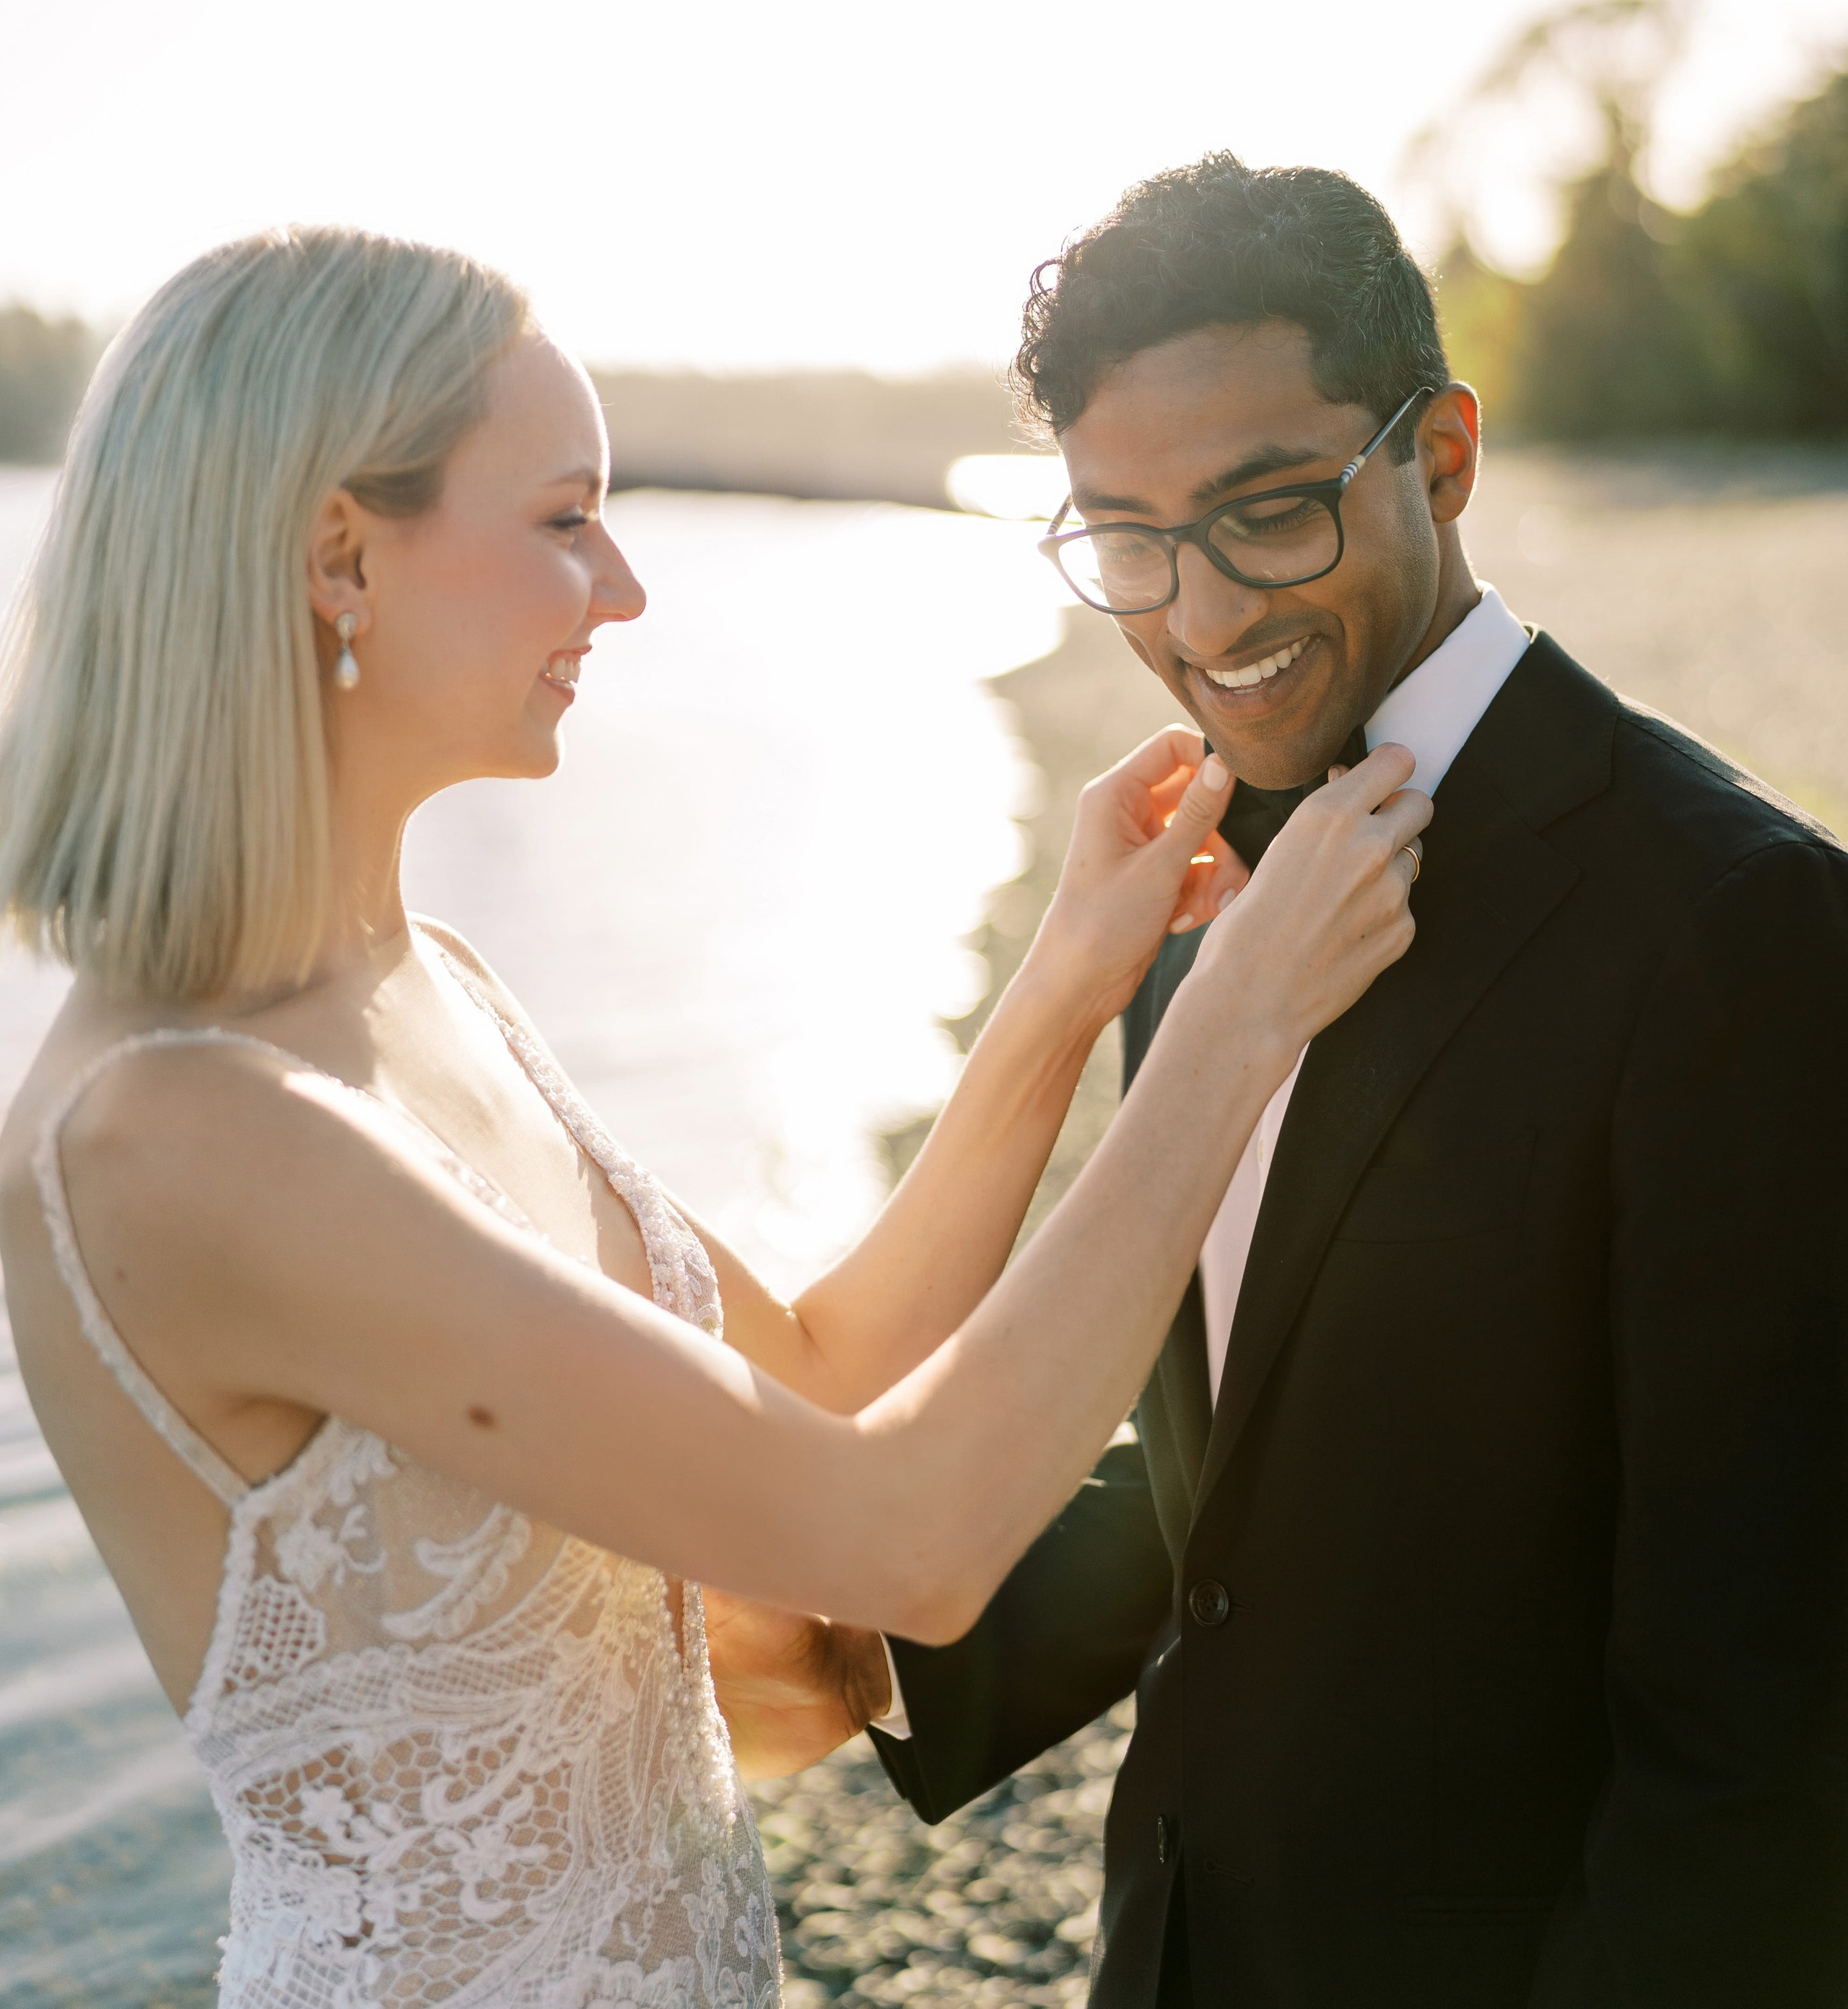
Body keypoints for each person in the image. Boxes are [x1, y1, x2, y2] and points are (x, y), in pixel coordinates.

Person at [0, 224, 1424, 2008]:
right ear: (338, 555)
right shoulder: (175, 1134)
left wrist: (1069, 976)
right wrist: (1235, 1022)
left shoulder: (429, 980)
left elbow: (818, 1375)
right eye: (563, 518)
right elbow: (898, 1528)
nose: (624, 589)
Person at [720, 157, 1848, 2008]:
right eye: (1124, 537)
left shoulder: (1740, 932)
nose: (1196, 611)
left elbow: (1763, 1734)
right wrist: (889, 1645)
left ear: (1443, 456)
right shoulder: (1198, 882)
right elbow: (1248, 1441)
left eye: (1265, 512)